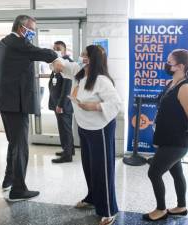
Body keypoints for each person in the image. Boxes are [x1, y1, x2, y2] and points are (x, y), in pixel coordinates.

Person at [0, 15, 62, 201]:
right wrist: (58, 56)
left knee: (14, 143)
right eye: (31, 30)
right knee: (20, 146)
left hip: (4, 104)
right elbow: (43, 53)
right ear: (21, 28)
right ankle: (18, 190)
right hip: (16, 104)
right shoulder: (19, 43)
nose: (32, 34)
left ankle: (8, 180)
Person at [54, 45, 121, 225]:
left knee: (103, 169)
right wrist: (56, 61)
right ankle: (92, 197)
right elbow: (62, 65)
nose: (81, 57)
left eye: (84, 55)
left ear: (92, 59)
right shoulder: (79, 72)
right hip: (84, 127)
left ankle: (108, 209)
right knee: (89, 166)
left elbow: (116, 103)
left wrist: (95, 106)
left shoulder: (101, 80)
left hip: (100, 129)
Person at [142, 49, 188, 221]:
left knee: (154, 172)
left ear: (180, 66)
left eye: (169, 62)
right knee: (176, 172)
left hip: (177, 142)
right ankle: (181, 206)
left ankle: (161, 210)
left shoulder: (186, 87)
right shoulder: (172, 83)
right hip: (168, 139)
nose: (166, 64)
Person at [49, 41, 75, 163]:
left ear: (65, 50)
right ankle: (69, 149)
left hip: (63, 104)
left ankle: (67, 155)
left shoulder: (66, 63)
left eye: (58, 48)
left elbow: (67, 87)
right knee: (65, 128)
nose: (56, 50)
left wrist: (60, 105)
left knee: (65, 129)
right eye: (54, 48)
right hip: (57, 103)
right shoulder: (57, 62)